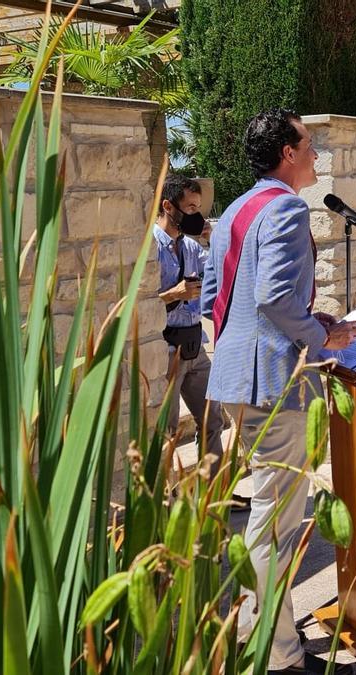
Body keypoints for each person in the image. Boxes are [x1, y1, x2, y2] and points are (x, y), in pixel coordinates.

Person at [202, 108, 356, 675]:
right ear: (287, 154)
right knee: (277, 525)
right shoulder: (289, 207)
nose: (316, 155)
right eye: (309, 145)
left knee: (266, 517)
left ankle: (257, 635)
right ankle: (276, 655)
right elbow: (273, 297)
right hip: (275, 385)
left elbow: (213, 299)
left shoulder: (235, 211)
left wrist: (294, 323)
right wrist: (322, 331)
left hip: (234, 382)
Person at [154, 173, 224, 465]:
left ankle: (215, 494)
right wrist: (175, 294)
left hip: (196, 346)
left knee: (212, 420)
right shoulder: (151, 248)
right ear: (169, 207)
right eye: (191, 208)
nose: (196, 214)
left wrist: (212, 240)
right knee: (166, 433)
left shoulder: (191, 247)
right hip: (168, 351)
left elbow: (218, 273)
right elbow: (140, 305)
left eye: (198, 207)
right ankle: (164, 504)